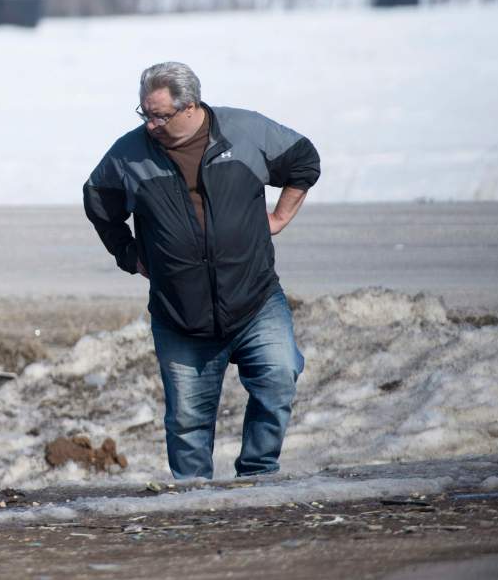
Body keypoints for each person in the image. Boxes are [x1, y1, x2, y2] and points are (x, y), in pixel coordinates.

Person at [83, 61, 320, 479]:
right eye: (145, 113)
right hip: (180, 312)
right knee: (187, 421)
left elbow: (303, 161)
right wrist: (129, 255)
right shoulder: (130, 154)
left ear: (190, 106)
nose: (150, 124)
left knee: (279, 377)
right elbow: (98, 202)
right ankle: (194, 501)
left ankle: (258, 473)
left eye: (159, 115)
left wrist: (279, 217)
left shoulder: (244, 131)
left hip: (255, 299)